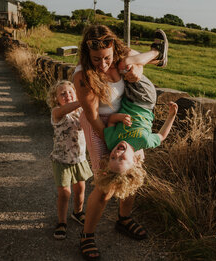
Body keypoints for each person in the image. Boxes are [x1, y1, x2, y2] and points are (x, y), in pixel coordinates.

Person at [73, 25, 167, 260]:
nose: (103, 64)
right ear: (87, 54)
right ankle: (87, 235)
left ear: (113, 49)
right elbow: (93, 117)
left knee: (131, 170)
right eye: (96, 59)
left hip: (125, 117)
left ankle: (124, 219)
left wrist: (139, 68)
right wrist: (111, 139)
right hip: (100, 125)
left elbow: (136, 62)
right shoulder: (83, 76)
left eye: (107, 57)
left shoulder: (121, 59)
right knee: (105, 185)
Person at [46, 80, 93, 240]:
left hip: (79, 159)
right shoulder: (57, 112)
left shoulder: (81, 111)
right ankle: (61, 222)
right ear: (56, 99)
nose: (67, 95)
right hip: (62, 161)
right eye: (62, 94)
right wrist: (82, 100)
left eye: (70, 92)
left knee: (80, 190)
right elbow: (65, 110)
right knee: (65, 193)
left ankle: (78, 212)